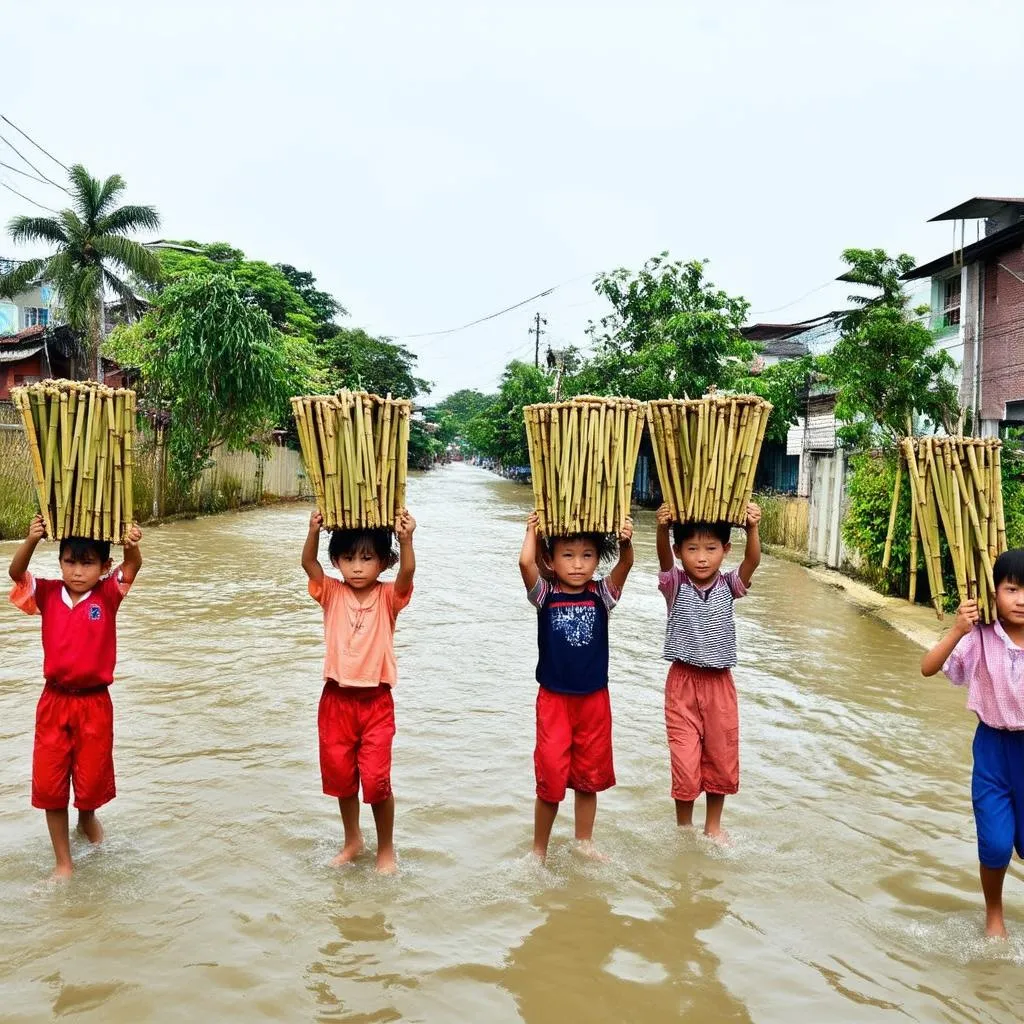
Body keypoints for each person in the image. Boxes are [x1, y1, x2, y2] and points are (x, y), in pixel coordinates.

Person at [8, 514, 143, 879]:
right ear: (60, 561)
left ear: (104, 566)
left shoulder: (108, 594)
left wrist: (132, 544)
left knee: (91, 783)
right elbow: (15, 573)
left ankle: (87, 820)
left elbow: (133, 566)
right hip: (54, 702)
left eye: (87, 563)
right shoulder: (49, 593)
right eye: (70, 561)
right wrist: (32, 539)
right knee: (51, 786)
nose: (78, 571)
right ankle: (63, 863)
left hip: (95, 704)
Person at [301, 508, 416, 875]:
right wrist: (313, 532)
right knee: (341, 778)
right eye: (348, 558)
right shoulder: (331, 592)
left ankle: (386, 849)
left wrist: (407, 538)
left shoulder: (388, 597)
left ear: (383, 562)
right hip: (336, 700)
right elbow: (307, 563)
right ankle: (353, 840)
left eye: (367, 558)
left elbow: (408, 574)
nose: (357, 566)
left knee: (378, 781)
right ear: (336, 561)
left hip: (376, 702)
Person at [519, 512, 634, 862]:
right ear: (551, 559)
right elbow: (525, 562)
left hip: (594, 702)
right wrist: (533, 532)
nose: (578, 565)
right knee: (551, 778)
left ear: (598, 559)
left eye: (587, 556)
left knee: (589, 778)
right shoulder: (545, 594)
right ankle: (539, 850)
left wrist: (626, 542)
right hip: (554, 701)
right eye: (567, 555)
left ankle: (584, 841)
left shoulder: (602, 594)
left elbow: (626, 565)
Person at [921, 548, 1024, 939]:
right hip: (992, 751)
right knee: (997, 845)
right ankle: (994, 914)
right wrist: (956, 629)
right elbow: (927, 667)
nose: (1021, 600)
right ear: (992, 591)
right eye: (1012, 589)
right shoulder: (980, 637)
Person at [654, 502, 761, 841]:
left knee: (721, 756)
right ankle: (684, 828)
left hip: (719, 684)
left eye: (711, 548)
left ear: (725, 550)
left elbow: (753, 561)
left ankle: (713, 826)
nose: (702, 557)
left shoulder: (729, 585)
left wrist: (752, 528)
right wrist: (662, 527)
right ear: (679, 550)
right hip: (682, 684)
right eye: (692, 549)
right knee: (684, 761)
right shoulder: (675, 585)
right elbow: (662, 559)